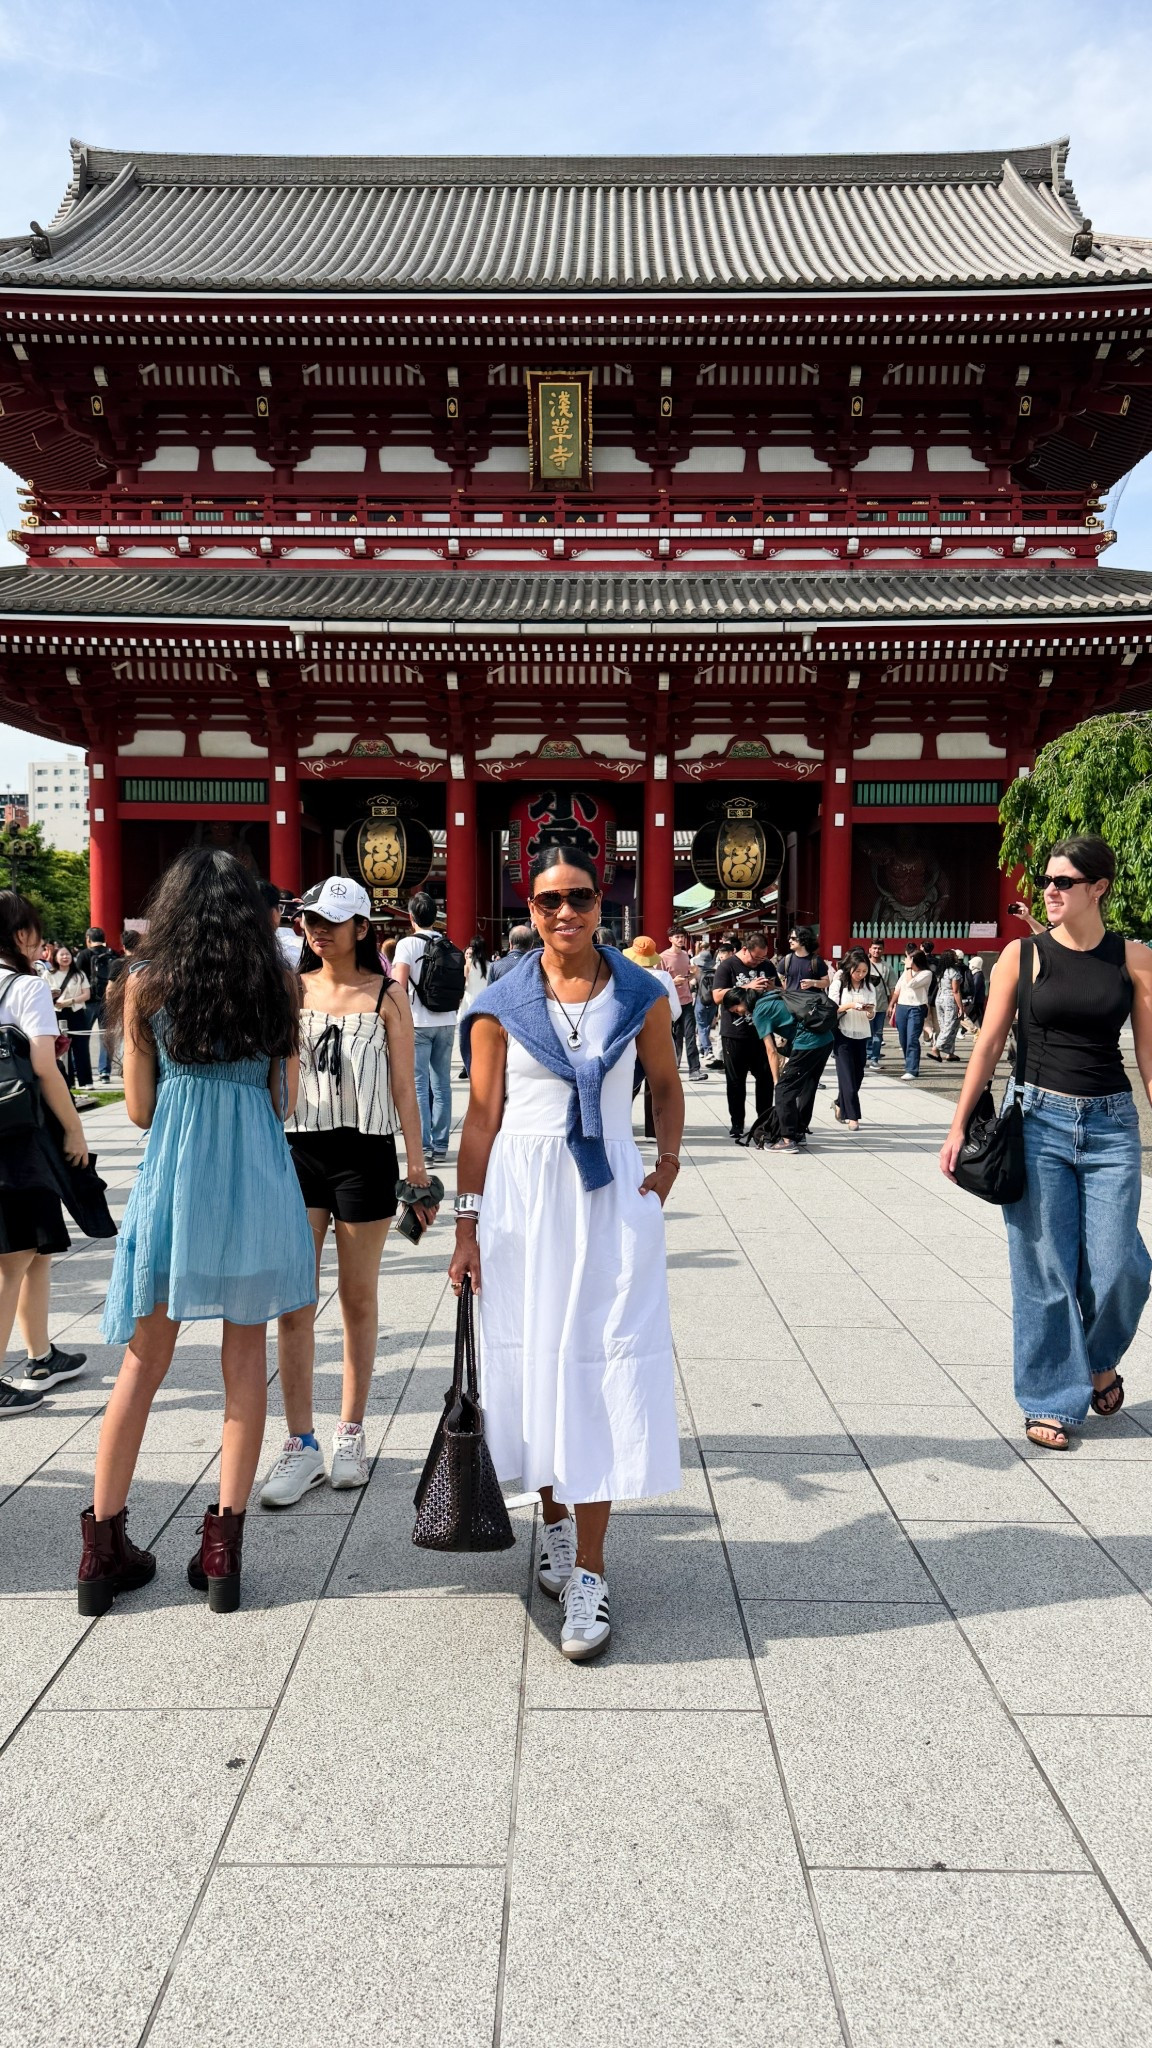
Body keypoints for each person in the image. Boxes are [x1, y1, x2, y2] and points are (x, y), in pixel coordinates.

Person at [453, 846, 683, 1662]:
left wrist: (667, 1163)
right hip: (523, 1198)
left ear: (602, 899)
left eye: (579, 897)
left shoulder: (642, 993)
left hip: (610, 1192)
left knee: (602, 1364)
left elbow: (664, 1083)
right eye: (549, 900)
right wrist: (467, 1224)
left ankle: (590, 1568)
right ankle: (552, 1525)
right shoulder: (499, 1005)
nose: (565, 913)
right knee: (539, 1364)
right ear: (530, 906)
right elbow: (481, 1118)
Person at [81, 849, 316, 1616]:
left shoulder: (144, 985)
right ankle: (222, 1555)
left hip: (174, 1184)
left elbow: (140, 1111)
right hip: (253, 1179)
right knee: (244, 1361)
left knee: (142, 1366)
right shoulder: (278, 984)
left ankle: (101, 1552)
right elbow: (283, 1099)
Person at [940, 835, 1152, 1453]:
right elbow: (986, 1045)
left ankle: (1096, 1360)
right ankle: (1051, 1400)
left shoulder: (1133, 958)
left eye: (1064, 882)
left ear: (1099, 889)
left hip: (1112, 1125)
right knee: (1045, 1270)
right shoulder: (1022, 955)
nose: (1049, 892)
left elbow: (1148, 1057)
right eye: (1048, 881)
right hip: (1038, 1122)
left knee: (1122, 1266)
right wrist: (958, 1126)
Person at [259, 876, 438, 1506]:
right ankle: (299, 1443)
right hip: (298, 1152)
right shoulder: (289, 990)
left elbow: (406, 1089)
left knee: (358, 1300)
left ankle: (351, 1431)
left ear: (364, 927)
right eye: (311, 918)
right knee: (293, 1302)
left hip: (366, 1155)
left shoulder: (389, 996)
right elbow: (273, 1077)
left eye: (333, 919)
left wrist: (417, 1172)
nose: (317, 928)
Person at [0, 891, 92, 1416]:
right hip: (17, 1139)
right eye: (33, 932)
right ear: (19, 936)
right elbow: (43, 1066)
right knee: (13, 1259)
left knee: (35, 1249)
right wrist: (75, 1129)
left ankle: (41, 1356)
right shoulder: (26, 987)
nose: (39, 942)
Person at [393, 892, 461, 1163]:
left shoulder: (407, 945)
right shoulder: (447, 943)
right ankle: (442, 1145)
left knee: (419, 1086)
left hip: (418, 1022)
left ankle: (425, 1147)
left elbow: (398, 984)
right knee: (442, 1084)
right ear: (436, 917)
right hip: (446, 1020)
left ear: (411, 917)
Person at [745, 980, 836, 1152]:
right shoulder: (775, 995)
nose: (739, 1013)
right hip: (826, 1039)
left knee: (784, 1089)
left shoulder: (759, 1012)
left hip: (808, 1043)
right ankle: (799, 1132)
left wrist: (776, 1081)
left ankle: (787, 1139)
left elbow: (771, 1051)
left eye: (736, 1009)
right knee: (808, 1085)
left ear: (743, 1003)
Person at [711, 931, 776, 1143]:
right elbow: (717, 996)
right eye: (755, 957)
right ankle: (737, 1123)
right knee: (736, 1081)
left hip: (762, 1032)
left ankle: (764, 1123)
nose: (759, 962)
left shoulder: (766, 966)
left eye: (762, 958)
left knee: (765, 1080)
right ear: (745, 949)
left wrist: (770, 987)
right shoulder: (728, 965)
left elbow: (779, 991)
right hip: (734, 1033)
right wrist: (746, 987)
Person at [828, 952, 875, 1129]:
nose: (861, 975)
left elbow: (872, 1013)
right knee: (847, 1076)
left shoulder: (869, 986)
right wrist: (851, 1006)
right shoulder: (840, 984)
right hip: (842, 1033)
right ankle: (853, 1117)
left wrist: (868, 1012)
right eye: (857, 971)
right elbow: (833, 1008)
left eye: (864, 971)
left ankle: (840, 1103)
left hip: (862, 1034)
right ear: (850, 969)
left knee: (858, 1075)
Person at [76, 926, 119, 1084]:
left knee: (82, 1036)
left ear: (88, 939)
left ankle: (81, 1068)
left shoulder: (84, 955)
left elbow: (77, 977)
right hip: (108, 1001)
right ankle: (104, 1072)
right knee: (106, 1037)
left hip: (88, 1001)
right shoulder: (112, 954)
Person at [660, 930, 704, 1081]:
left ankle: (694, 1069)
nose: (680, 940)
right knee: (674, 1037)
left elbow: (691, 978)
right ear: (670, 938)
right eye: (677, 937)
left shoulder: (686, 956)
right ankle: (674, 1065)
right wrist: (673, 982)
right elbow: (659, 981)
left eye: (682, 937)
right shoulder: (663, 957)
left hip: (686, 1001)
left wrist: (694, 974)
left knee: (691, 1034)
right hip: (670, 1002)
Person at [49, 944, 93, 1091]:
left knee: (81, 1047)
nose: (65, 957)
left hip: (76, 1012)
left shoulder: (79, 974)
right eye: (61, 954)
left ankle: (86, 1081)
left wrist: (71, 1001)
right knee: (60, 1048)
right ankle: (68, 1081)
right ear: (55, 957)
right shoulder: (48, 974)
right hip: (57, 1012)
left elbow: (86, 994)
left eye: (67, 954)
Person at [888, 947, 933, 1078]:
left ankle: (912, 1069)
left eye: (909, 960)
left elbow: (911, 983)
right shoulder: (906, 972)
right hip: (902, 1006)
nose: (907, 962)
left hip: (917, 1007)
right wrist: (891, 1004)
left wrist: (908, 969)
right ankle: (909, 1063)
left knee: (912, 1038)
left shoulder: (926, 974)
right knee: (903, 1039)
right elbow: (898, 989)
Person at [457, 934, 490, 1077]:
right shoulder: (490, 965)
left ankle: (468, 1065)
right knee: (483, 1037)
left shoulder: (469, 964)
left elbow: (463, 981)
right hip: (485, 1003)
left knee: (467, 1037)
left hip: (469, 1002)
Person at [928, 951, 965, 1064]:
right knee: (950, 1025)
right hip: (950, 999)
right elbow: (956, 990)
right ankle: (936, 1048)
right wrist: (961, 1007)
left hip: (939, 998)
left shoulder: (941, 971)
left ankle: (950, 1052)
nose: (956, 957)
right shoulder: (954, 972)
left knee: (944, 1025)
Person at [865, 940, 894, 1067]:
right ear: (870, 949)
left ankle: (874, 1058)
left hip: (881, 1005)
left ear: (883, 950)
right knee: (865, 1033)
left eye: (879, 948)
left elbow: (892, 987)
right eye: (874, 948)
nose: (877, 951)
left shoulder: (887, 967)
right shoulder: (863, 965)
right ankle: (865, 1056)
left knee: (878, 1033)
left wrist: (892, 1005)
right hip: (865, 1006)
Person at [692, 937, 717, 1065]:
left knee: (701, 1026)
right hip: (713, 1002)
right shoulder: (716, 973)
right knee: (706, 1026)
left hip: (700, 1001)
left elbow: (691, 985)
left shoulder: (698, 973)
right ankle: (702, 1049)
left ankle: (707, 1050)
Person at [784, 926, 830, 993]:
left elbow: (826, 982)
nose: (790, 941)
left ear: (803, 940)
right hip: (791, 1000)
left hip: (811, 1001)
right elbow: (779, 979)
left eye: (793, 938)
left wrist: (813, 983)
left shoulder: (816, 960)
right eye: (790, 938)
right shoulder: (787, 959)